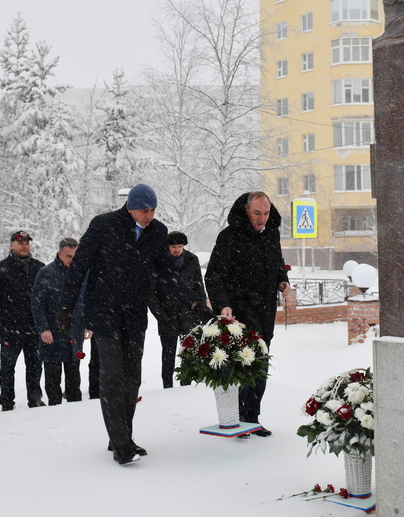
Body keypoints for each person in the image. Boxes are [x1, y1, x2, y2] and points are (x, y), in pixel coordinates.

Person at [67, 183, 205, 465]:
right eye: (144, 210)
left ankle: (122, 437)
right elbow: (80, 265)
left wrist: (193, 301)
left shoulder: (158, 232)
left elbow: (166, 272)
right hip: (105, 312)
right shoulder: (103, 225)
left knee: (132, 378)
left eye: (153, 210)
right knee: (112, 377)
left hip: (134, 314)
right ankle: (121, 445)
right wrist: (66, 307)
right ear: (130, 206)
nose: (149, 215)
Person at [205, 191, 291, 437]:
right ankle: (236, 419)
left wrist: (283, 282)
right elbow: (214, 274)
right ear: (246, 210)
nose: (262, 219)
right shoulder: (229, 237)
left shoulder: (271, 234)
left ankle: (252, 418)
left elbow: (277, 264)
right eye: (257, 213)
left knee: (260, 367)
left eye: (265, 213)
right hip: (239, 314)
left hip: (265, 313)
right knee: (241, 366)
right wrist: (223, 305)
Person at [0, 230, 45, 411]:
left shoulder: (39, 268)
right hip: (10, 327)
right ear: (11, 245)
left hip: (34, 327)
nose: (24, 245)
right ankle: (7, 401)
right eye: (19, 242)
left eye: (26, 242)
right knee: (7, 367)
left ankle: (35, 398)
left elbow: (47, 298)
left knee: (34, 366)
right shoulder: (0, 269)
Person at [147, 231, 207, 388]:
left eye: (180, 246)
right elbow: (151, 293)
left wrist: (200, 309)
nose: (177, 250)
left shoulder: (192, 260)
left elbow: (198, 285)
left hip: (189, 315)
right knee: (168, 354)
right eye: (173, 247)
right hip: (167, 315)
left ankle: (186, 386)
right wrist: (160, 315)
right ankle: (167, 386)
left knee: (188, 353)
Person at [31, 238, 83, 406]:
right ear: (59, 253)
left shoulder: (80, 272)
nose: (71, 260)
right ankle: (54, 409)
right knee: (53, 378)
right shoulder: (46, 273)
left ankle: (76, 408)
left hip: (74, 332)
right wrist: (43, 329)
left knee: (74, 377)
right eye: (68, 256)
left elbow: (85, 300)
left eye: (74, 256)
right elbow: (37, 303)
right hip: (52, 333)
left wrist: (87, 324)